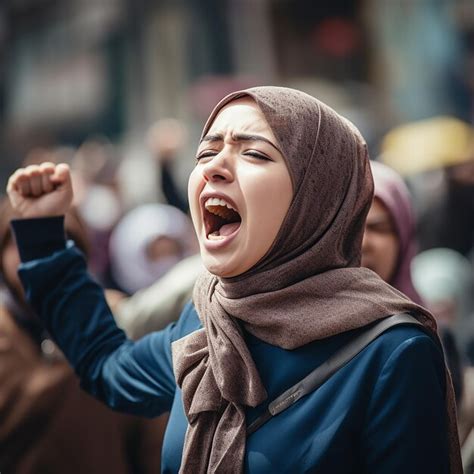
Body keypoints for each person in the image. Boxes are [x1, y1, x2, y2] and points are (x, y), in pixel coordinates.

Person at [6, 86, 461, 473]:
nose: (214, 167)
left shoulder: (393, 351)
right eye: (206, 151)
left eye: (255, 152)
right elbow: (107, 367)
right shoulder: (206, 323)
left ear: (315, 197)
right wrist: (43, 238)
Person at [0, 198, 166, 473]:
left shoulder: (115, 320)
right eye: (21, 241)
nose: (36, 255)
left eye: (57, 242)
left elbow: (151, 431)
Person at [361, 160, 423, 304]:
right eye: (352, 229)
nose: (363, 243)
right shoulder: (307, 321)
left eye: (379, 228)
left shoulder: (423, 324)